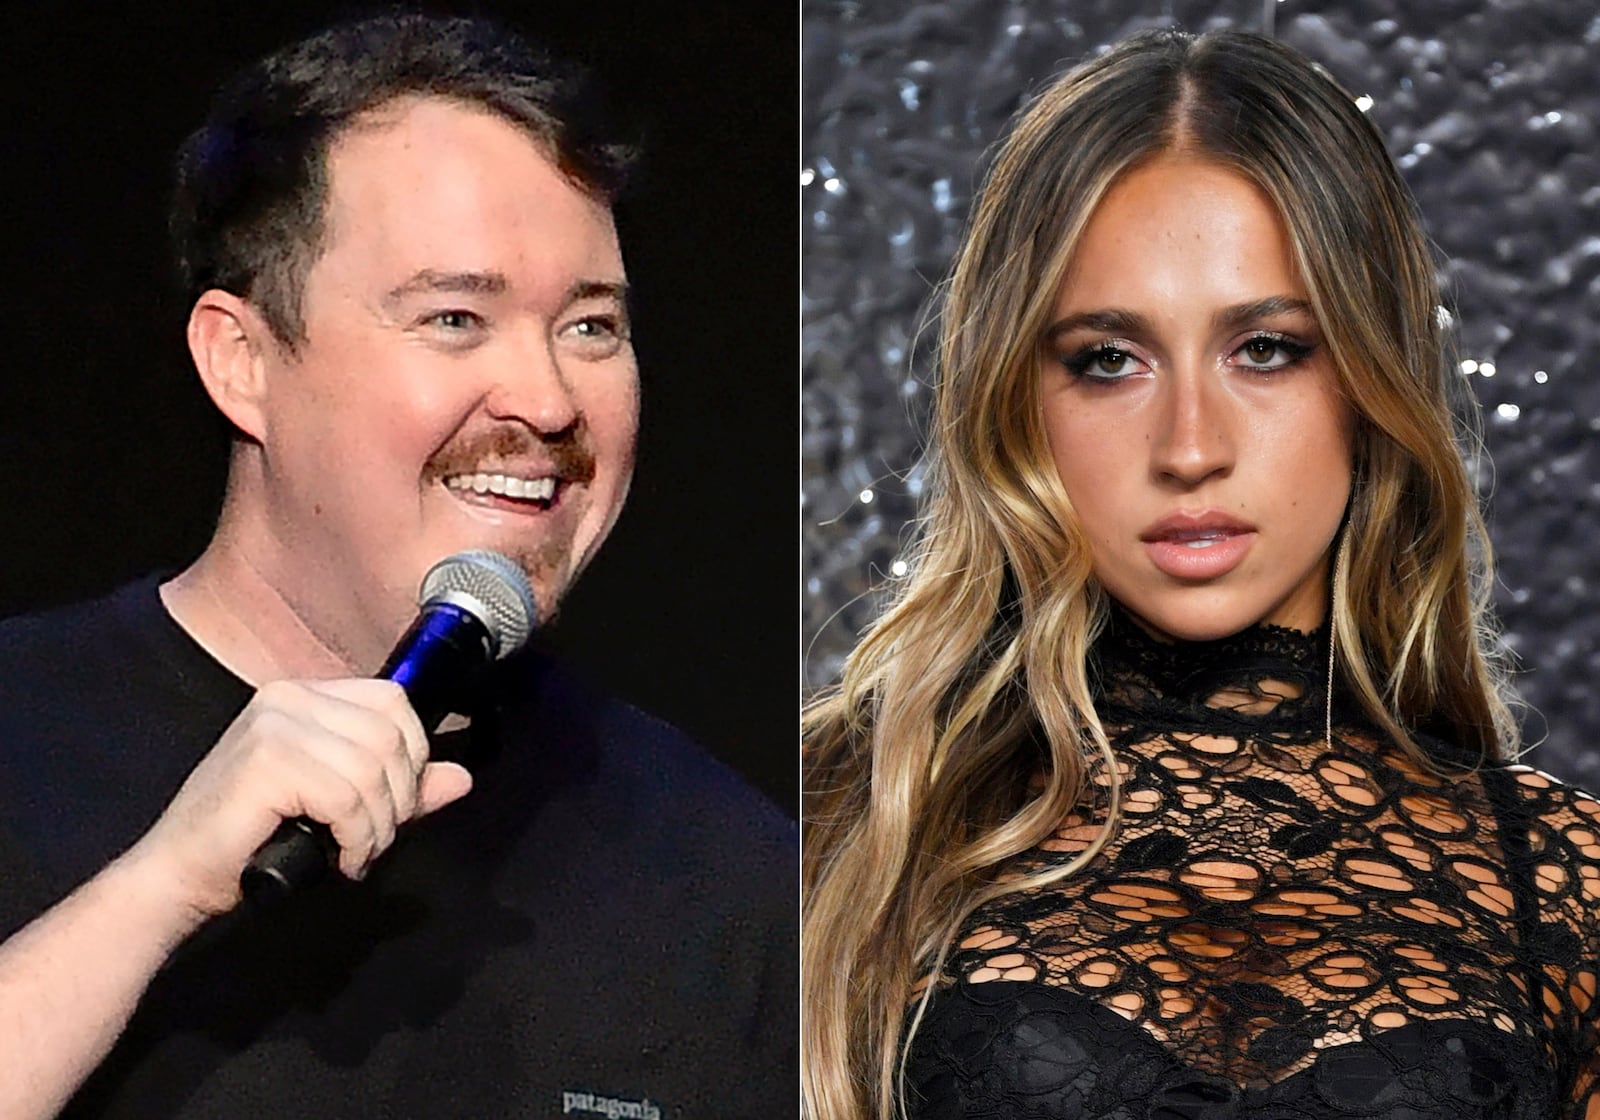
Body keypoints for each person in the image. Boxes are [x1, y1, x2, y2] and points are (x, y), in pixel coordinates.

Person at [0, 12, 794, 1119]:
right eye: (455, 317)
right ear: (243, 361)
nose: (548, 399)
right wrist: (156, 891)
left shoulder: (732, 876)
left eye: (592, 327)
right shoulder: (21, 736)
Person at [802, 28, 1600, 1120]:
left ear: (1371, 380)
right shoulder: (840, 812)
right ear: (1017, 400)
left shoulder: (1561, 880)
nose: (1188, 446)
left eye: (1265, 349)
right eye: (1108, 359)